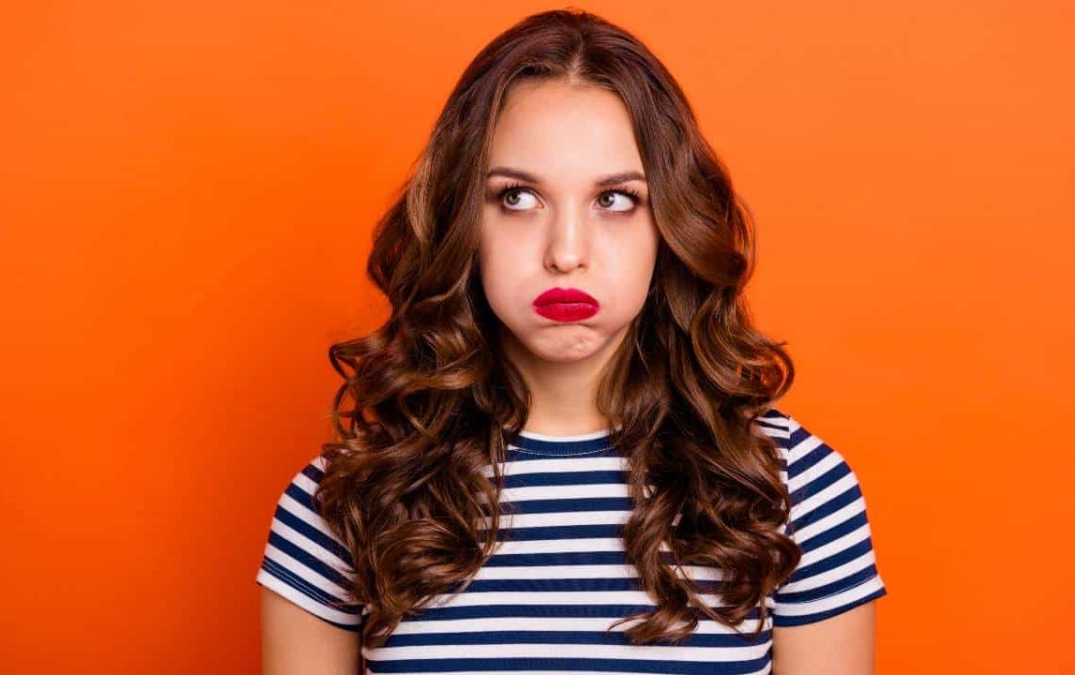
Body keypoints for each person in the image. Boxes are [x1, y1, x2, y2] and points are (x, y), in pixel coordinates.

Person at [257, 8, 887, 674]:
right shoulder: (346, 500)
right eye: (517, 197)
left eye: (614, 200)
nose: (565, 252)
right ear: (460, 218)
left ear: (670, 222)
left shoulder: (793, 489)